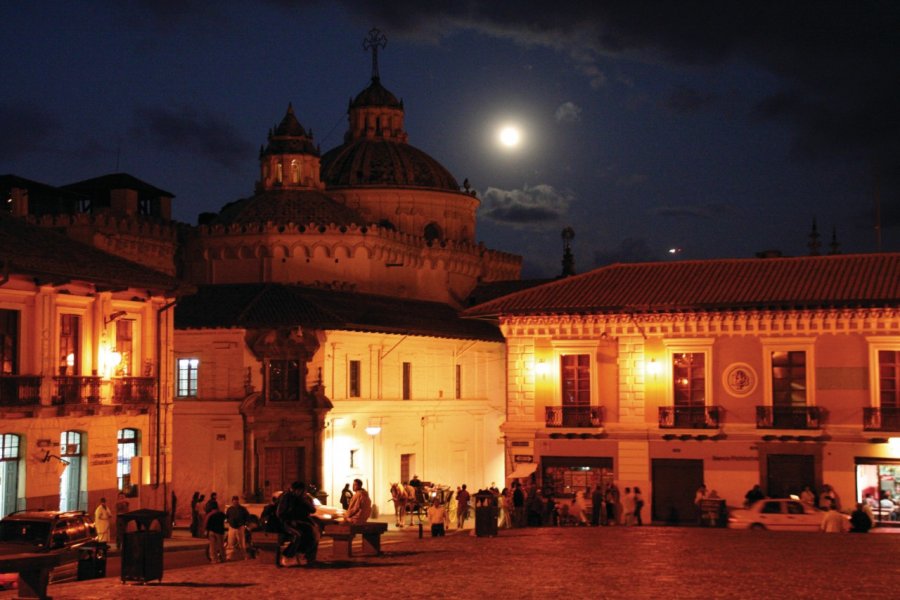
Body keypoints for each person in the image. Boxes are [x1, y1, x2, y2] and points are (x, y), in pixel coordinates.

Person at [276, 481, 319, 567]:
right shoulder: (287, 497)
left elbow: (312, 510)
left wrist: (304, 500)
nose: (301, 492)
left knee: (313, 534)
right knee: (298, 535)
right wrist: (290, 520)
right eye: (300, 491)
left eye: (303, 491)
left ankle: (302, 555)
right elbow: (280, 513)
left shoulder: (303, 498)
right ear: (294, 490)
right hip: (288, 523)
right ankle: (287, 556)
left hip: (302, 522)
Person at [225, 495, 251, 560]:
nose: (235, 502)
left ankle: (244, 556)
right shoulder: (230, 509)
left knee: (242, 543)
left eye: (236, 501)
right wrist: (229, 522)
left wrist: (245, 523)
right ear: (232, 501)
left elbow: (247, 516)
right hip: (232, 527)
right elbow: (227, 517)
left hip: (240, 527)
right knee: (230, 543)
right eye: (234, 501)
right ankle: (229, 557)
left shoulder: (242, 509)